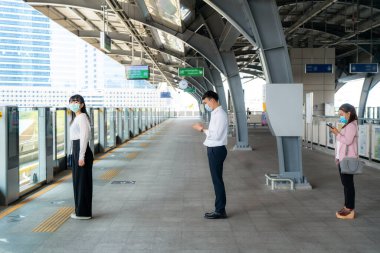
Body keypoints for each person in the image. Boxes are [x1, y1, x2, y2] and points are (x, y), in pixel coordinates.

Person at [192, 91, 228, 219]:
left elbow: (216, 135)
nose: (205, 105)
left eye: (205, 102)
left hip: (216, 150)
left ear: (211, 99)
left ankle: (220, 210)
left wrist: (202, 129)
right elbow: (214, 132)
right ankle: (219, 209)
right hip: (215, 149)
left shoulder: (220, 115)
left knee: (217, 181)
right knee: (217, 180)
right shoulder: (216, 114)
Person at [329, 103, 358, 219]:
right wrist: (336, 130)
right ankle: (347, 206)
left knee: (348, 184)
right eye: (339, 114)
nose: (340, 116)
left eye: (341, 114)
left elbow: (347, 141)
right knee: (345, 184)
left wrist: (336, 133)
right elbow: (339, 140)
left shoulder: (351, 125)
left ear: (348, 113)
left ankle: (349, 208)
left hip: (348, 159)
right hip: (342, 158)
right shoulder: (345, 124)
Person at [68, 94, 94, 220]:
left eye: (76, 101)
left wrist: (81, 156)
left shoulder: (82, 117)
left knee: (82, 183)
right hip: (77, 150)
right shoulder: (76, 117)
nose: (74, 103)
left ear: (82, 105)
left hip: (81, 151)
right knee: (79, 182)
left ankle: (83, 213)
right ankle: (80, 210)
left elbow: (84, 138)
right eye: (72, 101)